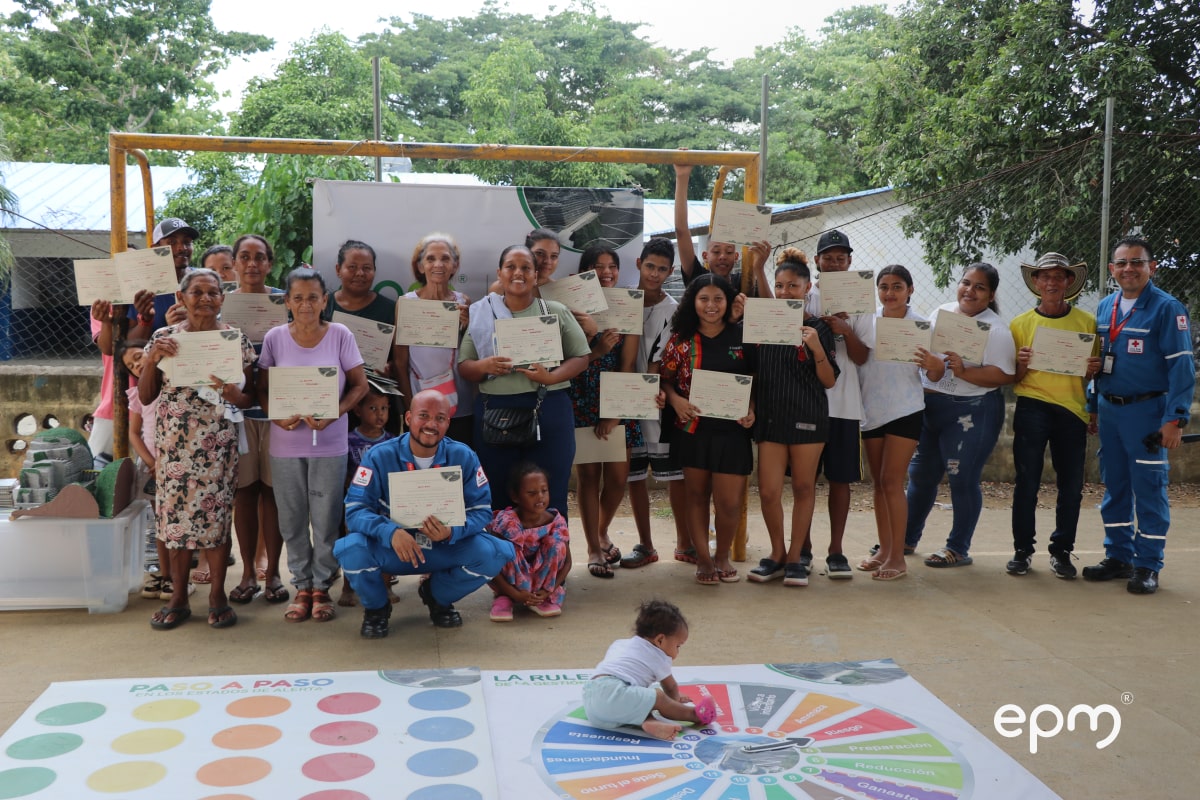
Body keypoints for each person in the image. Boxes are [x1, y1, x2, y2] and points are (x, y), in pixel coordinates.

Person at [335, 390, 516, 635]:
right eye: (424, 416)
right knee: (350, 550)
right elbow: (355, 510)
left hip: (443, 546)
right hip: (395, 548)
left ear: (448, 423)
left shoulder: (463, 456)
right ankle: (377, 609)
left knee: (494, 553)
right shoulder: (379, 456)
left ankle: (437, 596)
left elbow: (481, 510)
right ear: (408, 418)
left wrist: (453, 531)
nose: (431, 424)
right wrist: (389, 532)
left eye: (440, 418)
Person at [138, 269, 257, 630]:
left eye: (212, 292)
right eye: (197, 292)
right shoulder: (164, 337)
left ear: (222, 298)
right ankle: (178, 596)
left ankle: (218, 594)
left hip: (217, 445)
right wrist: (152, 358)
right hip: (174, 448)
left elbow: (250, 395)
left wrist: (237, 395)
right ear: (182, 297)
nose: (205, 298)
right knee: (175, 523)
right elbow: (146, 395)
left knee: (216, 520)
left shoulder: (234, 340)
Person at [1083, 237, 1195, 595]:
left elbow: (1182, 370)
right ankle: (1119, 556)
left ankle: (1148, 564)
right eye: (1122, 263)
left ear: (1152, 267)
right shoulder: (1105, 307)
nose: (1128, 268)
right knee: (1115, 486)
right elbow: (1101, 362)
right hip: (1110, 411)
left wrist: (1175, 419)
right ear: (1112, 269)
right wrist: (1093, 405)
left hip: (1147, 413)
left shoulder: (1167, 308)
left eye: (1137, 262)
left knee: (1149, 489)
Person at [259, 268, 369, 624]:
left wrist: (334, 413)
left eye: (313, 297)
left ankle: (322, 587)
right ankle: (301, 586)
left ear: (326, 300)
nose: (305, 305)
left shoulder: (340, 335)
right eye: (298, 298)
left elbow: (359, 386)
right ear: (287, 302)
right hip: (285, 444)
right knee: (291, 519)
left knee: (325, 519)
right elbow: (263, 389)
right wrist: (275, 416)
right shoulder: (275, 338)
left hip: (330, 443)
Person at [459, 245, 592, 517]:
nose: (518, 273)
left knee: (550, 494)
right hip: (495, 413)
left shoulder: (554, 311)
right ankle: (505, 558)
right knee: (497, 494)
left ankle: (553, 558)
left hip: (549, 410)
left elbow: (581, 356)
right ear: (500, 272)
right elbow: (465, 367)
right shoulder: (483, 314)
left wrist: (551, 377)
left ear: (535, 275)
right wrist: (485, 365)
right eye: (510, 267)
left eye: (526, 268)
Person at [906, 263, 1016, 567]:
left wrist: (964, 370)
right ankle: (905, 537)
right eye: (966, 283)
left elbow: (1004, 375)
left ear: (991, 294)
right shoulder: (941, 313)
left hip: (972, 411)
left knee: (961, 477)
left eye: (979, 287)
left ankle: (958, 547)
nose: (970, 291)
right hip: (930, 408)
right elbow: (926, 355)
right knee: (920, 475)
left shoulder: (996, 329)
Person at [659, 274, 757, 585]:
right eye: (704, 299)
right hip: (693, 429)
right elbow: (665, 379)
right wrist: (675, 401)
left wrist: (751, 408)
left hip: (733, 432)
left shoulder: (743, 336)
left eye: (718, 299)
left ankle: (722, 556)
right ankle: (703, 559)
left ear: (728, 302)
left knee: (729, 503)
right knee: (697, 496)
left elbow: (755, 378)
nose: (711, 306)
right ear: (693, 302)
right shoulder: (681, 339)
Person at [749, 250, 838, 587]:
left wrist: (816, 347)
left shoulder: (818, 328)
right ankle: (776, 553)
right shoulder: (766, 322)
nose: (785, 291)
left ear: (807, 287)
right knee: (769, 491)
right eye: (780, 285)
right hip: (771, 419)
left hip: (808, 418)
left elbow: (829, 380)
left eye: (792, 285)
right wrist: (758, 267)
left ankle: (796, 557)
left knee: (803, 487)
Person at [1007, 253, 1097, 580]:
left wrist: (1092, 370)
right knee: (1026, 482)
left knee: (1071, 486)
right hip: (1032, 405)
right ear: (1035, 282)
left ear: (1069, 282)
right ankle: (1022, 551)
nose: (1051, 283)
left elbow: (1092, 375)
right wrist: (1021, 364)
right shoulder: (1019, 324)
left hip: (1072, 410)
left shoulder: (1087, 323)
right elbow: (1012, 378)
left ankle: (1061, 551)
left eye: (1058, 277)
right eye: (1044, 277)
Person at [856, 266, 944, 582]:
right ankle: (884, 550)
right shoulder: (867, 321)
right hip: (871, 410)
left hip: (905, 410)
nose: (890, 293)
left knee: (892, 481)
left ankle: (898, 557)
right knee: (879, 483)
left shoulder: (922, 326)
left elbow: (935, 374)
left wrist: (937, 366)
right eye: (883, 287)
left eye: (897, 287)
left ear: (910, 289)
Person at [568, 245, 642, 578]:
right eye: (598, 267)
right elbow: (566, 359)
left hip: (617, 400)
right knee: (588, 478)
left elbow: (628, 364)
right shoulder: (570, 308)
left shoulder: (627, 306)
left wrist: (615, 413)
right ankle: (594, 548)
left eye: (612, 266)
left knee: (617, 479)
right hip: (581, 397)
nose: (606, 272)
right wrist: (596, 350)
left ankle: (600, 530)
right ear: (585, 272)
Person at [804, 230, 872, 579]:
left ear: (849, 261)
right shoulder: (804, 294)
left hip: (844, 404)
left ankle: (836, 551)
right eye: (827, 257)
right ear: (817, 261)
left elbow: (861, 358)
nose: (833, 262)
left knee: (840, 480)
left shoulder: (861, 299)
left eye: (840, 258)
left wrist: (845, 330)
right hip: (807, 402)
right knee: (804, 480)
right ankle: (802, 548)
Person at [226, 234, 288, 605]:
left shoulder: (285, 302)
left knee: (274, 494)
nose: (252, 264)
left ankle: (275, 572)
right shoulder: (219, 304)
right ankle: (249, 572)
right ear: (234, 262)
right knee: (244, 493)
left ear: (269, 263)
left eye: (260, 257)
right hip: (236, 414)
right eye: (245, 257)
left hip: (279, 414)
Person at [622, 238, 688, 570]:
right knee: (634, 476)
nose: (655, 274)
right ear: (638, 263)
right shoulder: (620, 302)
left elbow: (671, 358)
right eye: (650, 266)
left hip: (659, 399)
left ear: (670, 271)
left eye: (662, 269)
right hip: (624, 397)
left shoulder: (674, 310)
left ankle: (685, 542)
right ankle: (645, 545)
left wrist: (664, 388)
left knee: (674, 475)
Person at [583, 599, 717, 741]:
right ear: (660, 640)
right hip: (614, 692)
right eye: (678, 646)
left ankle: (649, 722)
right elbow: (670, 687)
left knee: (640, 701)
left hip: (592, 703)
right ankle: (695, 715)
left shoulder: (620, 643)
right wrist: (674, 702)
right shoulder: (658, 655)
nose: (678, 651)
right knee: (657, 696)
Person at [393, 232, 475, 444]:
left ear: (454, 266)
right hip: (420, 402)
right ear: (420, 266)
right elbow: (400, 362)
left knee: (457, 460)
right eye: (430, 258)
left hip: (460, 403)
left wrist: (466, 326)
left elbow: (472, 353)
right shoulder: (406, 303)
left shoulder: (463, 301)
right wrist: (410, 404)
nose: (438, 264)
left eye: (445, 258)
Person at [486, 462, 571, 620]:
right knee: (507, 549)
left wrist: (549, 590)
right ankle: (505, 597)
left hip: (543, 585)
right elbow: (491, 564)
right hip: (511, 584)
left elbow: (567, 563)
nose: (540, 497)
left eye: (544, 491)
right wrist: (514, 594)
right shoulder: (506, 524)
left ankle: (540, 598)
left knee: (556, 545)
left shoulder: (556, 521)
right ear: (515, 497)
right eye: (531, 493)